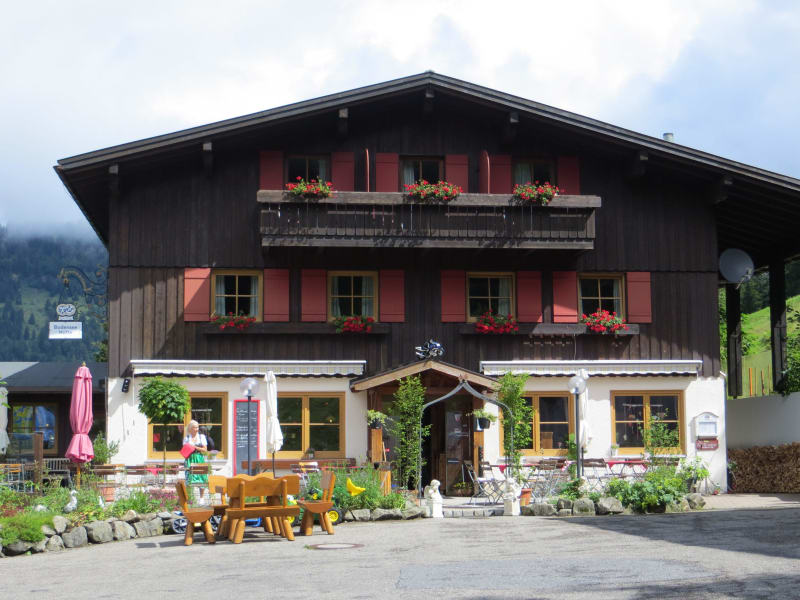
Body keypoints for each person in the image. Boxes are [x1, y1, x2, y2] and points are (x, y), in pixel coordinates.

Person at [183, 420, 208, 497]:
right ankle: (190, 498)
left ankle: (201, 499)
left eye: (197, 427)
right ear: (190, 428)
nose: (197, 429)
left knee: (202, 478)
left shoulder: (201, 437)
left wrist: (195, 447)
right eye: (195, 427)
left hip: (199, 458)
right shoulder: (187, 438)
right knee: (190, 479)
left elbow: (205, 449)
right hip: (190, 459)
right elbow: (184, 451)